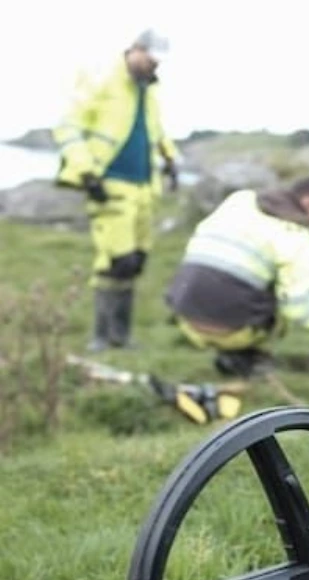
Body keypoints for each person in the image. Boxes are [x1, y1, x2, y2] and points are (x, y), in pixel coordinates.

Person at [163, 176, 309, 377]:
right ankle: (244, 356)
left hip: (185, 318)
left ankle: (232, 354)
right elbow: (303, 310)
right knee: (282, 295)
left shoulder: (240, 201)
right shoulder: (298, 240)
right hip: (232, 331)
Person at [52, 28, 180, 352]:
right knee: (114, 262)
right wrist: (86, 173)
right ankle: (101, 336)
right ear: (136, 49)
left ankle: (121, 337)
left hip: (144, 188)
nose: (154, 66)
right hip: (109, 185)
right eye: (150, 59)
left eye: (158, 63)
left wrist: (170, 159)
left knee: (135, 262)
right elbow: (67, 127)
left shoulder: (148, 90)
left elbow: (155, 130)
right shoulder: (101, 79)